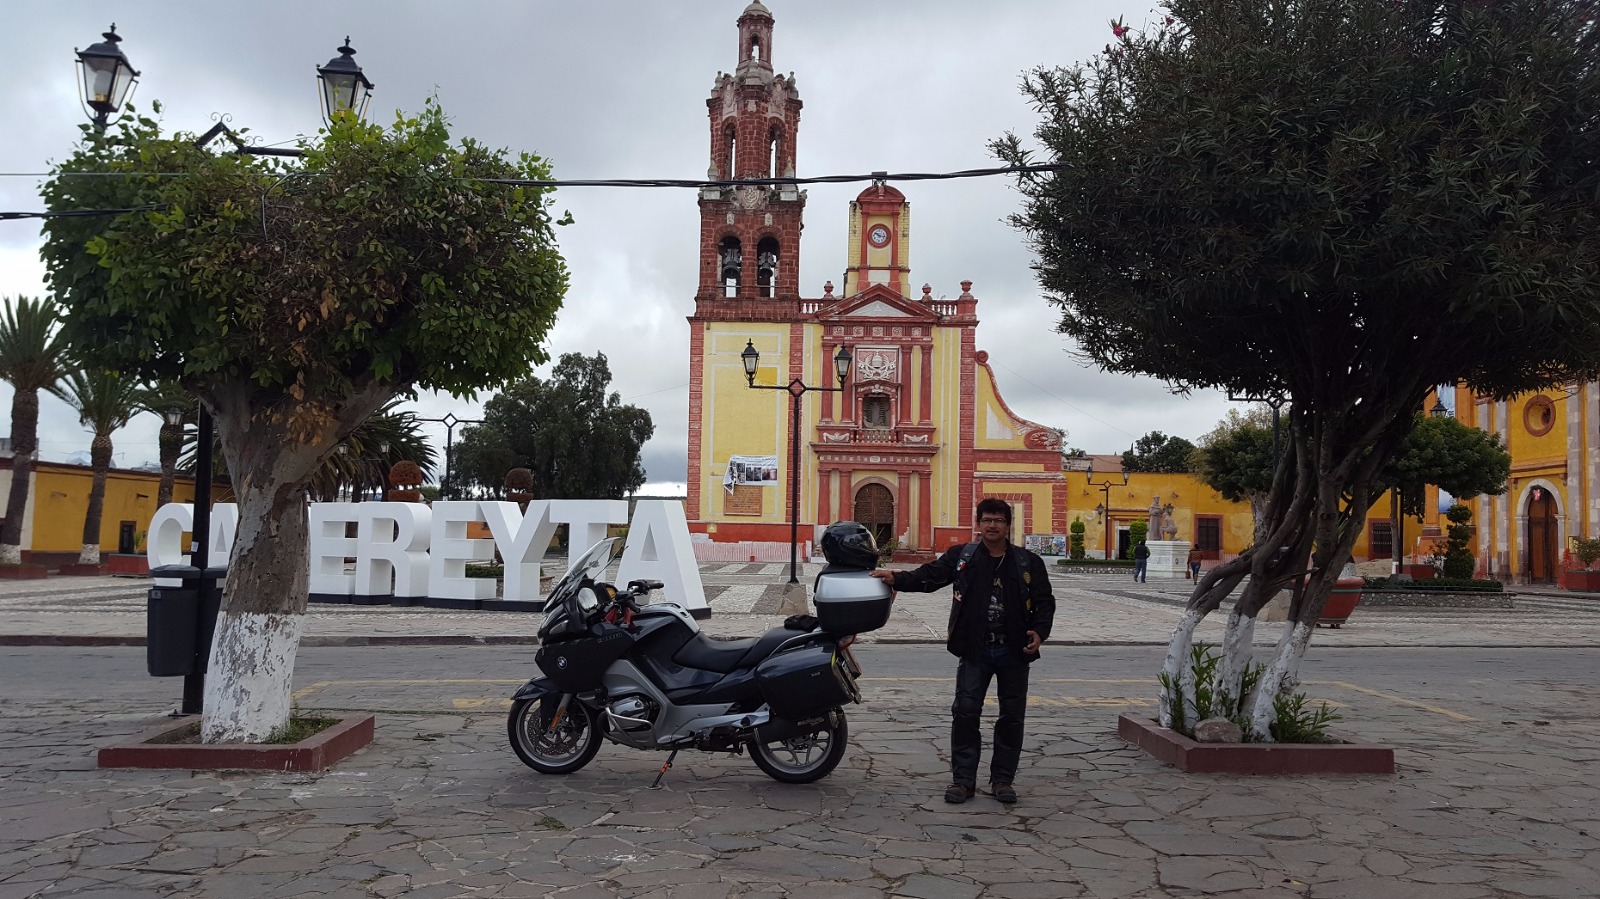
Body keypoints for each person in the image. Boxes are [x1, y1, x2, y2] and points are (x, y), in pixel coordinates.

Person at [870, 498, 1056, 805]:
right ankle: (963, 781)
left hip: (1013, 651)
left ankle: (1002, 780)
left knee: (1012, 717)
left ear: (1008, 525)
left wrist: (1040, 630)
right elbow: (931, 576)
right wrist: (898, 578)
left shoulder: (1027, 562)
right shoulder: (963, 557)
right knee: (966, 714)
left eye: (998, 520)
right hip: (974, 650)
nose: (992, 525)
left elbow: (1044, 600)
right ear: (978, 524)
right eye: (986, 520)